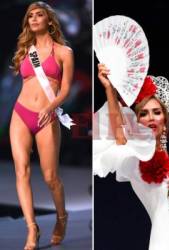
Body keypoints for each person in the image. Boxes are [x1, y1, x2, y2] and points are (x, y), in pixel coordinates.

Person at [93, 63, 169, 250]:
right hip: (166, 240)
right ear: (136, 123)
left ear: (165, 121)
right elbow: (119, 133)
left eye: (157, 112)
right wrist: (109, 90)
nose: (151, 117)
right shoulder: (136, 157)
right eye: (144, 114)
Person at [10, 1, 74, 249]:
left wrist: (50, 107)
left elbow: (66, 88)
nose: (34, 19)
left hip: (47, 115)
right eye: (31, 16)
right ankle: (32, 228)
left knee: (50, 177)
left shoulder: (64, 52)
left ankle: (62, 217)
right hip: (21, 113)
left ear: (49, 20)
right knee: (21, 171)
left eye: (40, 15)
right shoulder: (26, 50)